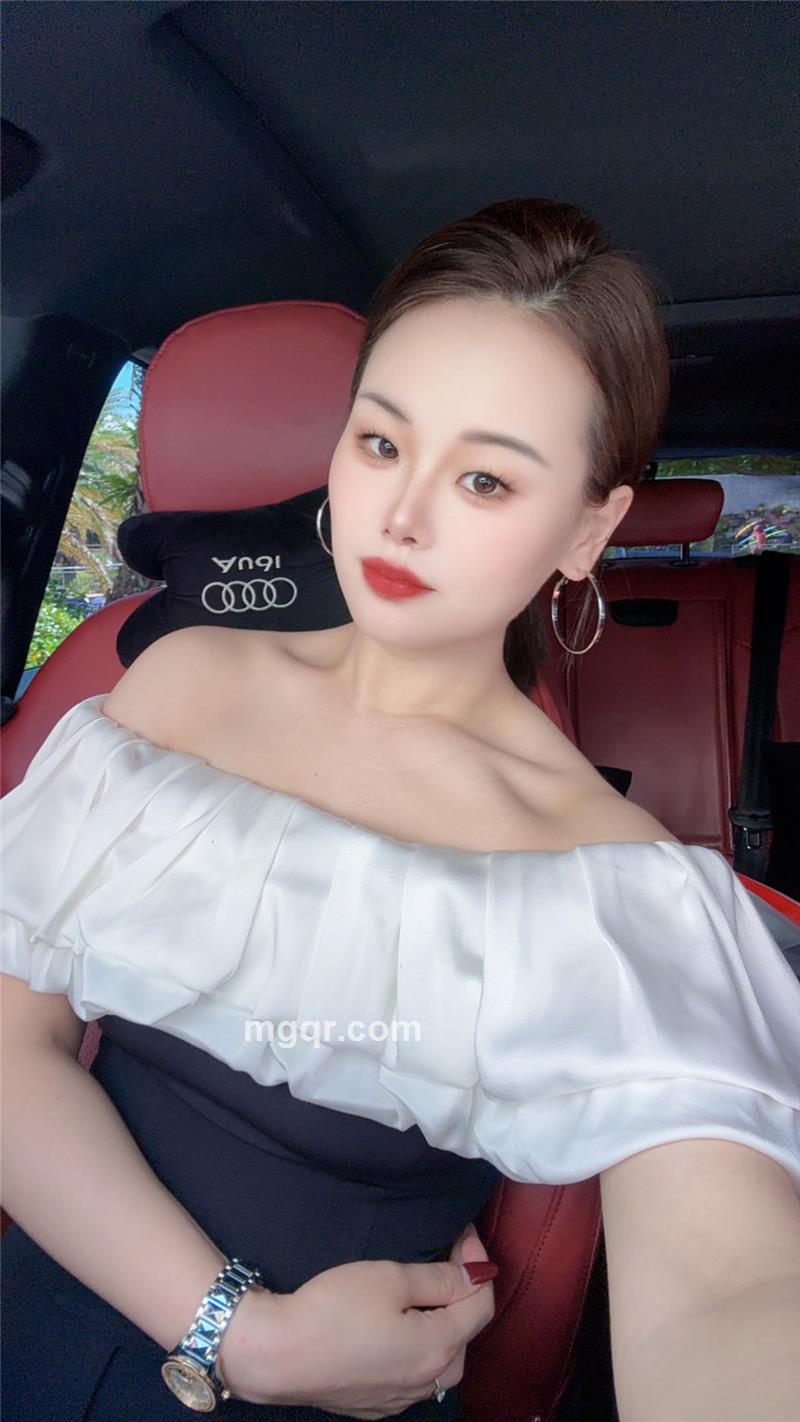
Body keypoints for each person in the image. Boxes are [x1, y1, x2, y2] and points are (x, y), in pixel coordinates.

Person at [2, 196, 799, 1422]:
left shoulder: (612, 881)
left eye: (484, 477)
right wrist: (237, 1332)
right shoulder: (179, 682)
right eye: (380, 442)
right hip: (54, 1304)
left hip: (335, 1396)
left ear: (586, 527)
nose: (403, 513)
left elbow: (724, 1286)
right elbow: (13, 1044)